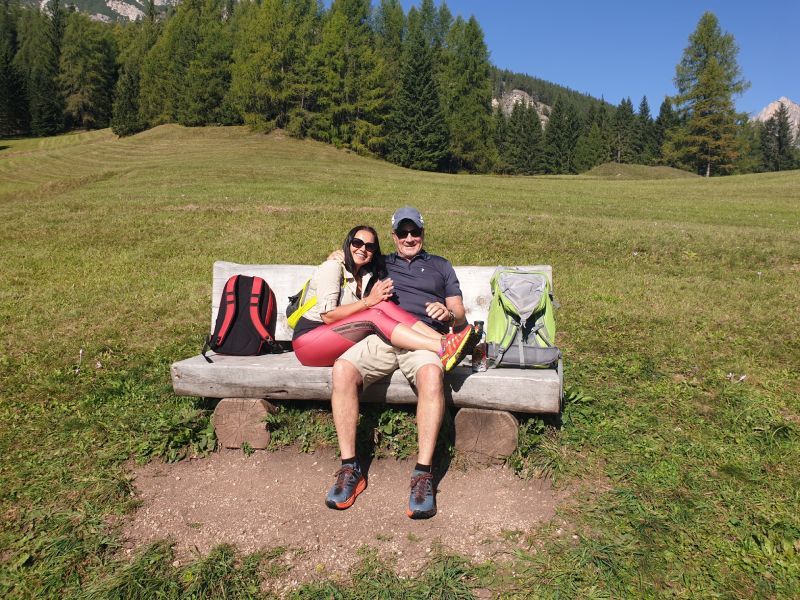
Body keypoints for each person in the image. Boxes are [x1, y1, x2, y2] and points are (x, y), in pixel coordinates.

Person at [326, 207, 471, 519]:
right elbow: (352, 257)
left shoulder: (440, 266)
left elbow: (460, 313)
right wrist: (338, 256)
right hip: (381, 337)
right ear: (393, 237)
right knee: (342, 369)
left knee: (432, 375)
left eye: (414, 232)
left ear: (422, 234)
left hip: (423, 339)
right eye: (402, 233)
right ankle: (350, 468)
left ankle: (422, 474)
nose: (409, 238)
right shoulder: (382, 264)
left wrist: (447, 315)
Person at [292, 225, 473, 372]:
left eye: (369, 246)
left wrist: (372, 301)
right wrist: (367, 301)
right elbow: (328, 316)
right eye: (357, 243)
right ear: (348, 243)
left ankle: (448, 343)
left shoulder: (366, 275)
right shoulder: (333, 267)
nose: (362, 249)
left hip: (335, 337)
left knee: (384, 304)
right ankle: (440, 347)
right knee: (374, 313)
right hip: (309, 343)